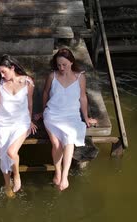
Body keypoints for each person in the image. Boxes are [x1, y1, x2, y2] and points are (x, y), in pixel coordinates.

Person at [40, 48, 96, 191]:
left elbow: (83, 98)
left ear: (71, 62)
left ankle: (65, 177)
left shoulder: (80, 77)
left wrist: (86, 118)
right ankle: (57, 172)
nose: (61, 68)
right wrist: (42, 111)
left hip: (71, 115)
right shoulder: (52, 76)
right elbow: (45, 92)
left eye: (64, 64)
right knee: (56, 143)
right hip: (53, 114)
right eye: (58, 65)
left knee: (70, 137)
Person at [0, 55, 37, 197]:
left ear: (12, 68)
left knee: (11, 152)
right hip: (3, 122)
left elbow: (29, 103)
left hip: (21, 122)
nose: (1, 75)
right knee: (3, 155)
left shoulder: (28, 81)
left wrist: (29, 120)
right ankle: (7, 184)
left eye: (4, 71)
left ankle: (16, 176)